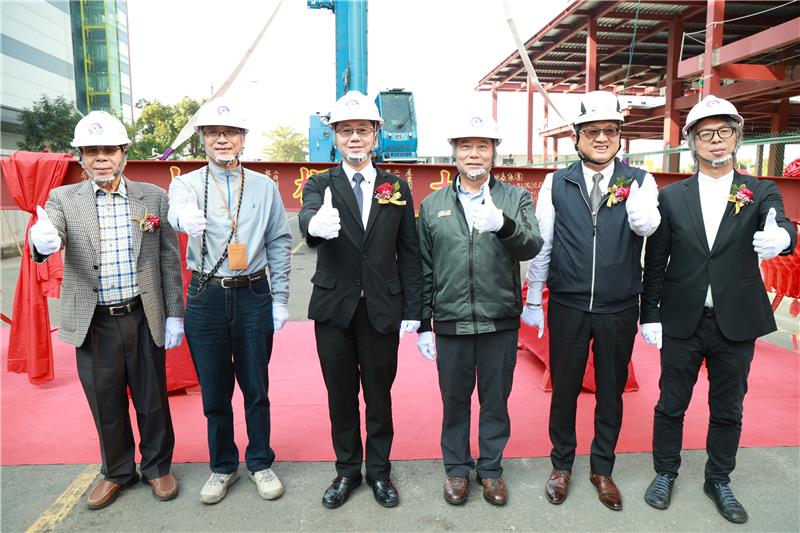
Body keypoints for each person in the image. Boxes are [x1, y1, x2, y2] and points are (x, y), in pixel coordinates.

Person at [640, 95, 795, 524]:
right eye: (705, 133)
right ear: (691, 140)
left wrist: (783, 238)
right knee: (672, 403)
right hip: (682, 319)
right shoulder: (673, 198)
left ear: (738, 136)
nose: (715, 141)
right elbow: (656, 260)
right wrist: (649, 312)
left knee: (729, 407)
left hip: (735, 321)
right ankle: (665, 472)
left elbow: (778, 221)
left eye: (724, 131)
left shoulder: (759, 190)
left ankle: (719, 478)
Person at [29, 111, 184, 509]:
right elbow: (53, 233)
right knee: (106, 400)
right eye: (92, 151)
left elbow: (168, 259)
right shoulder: (63, 199)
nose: (101, 158)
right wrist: (43, 243)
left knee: (152, 399)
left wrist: (174, 314)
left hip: (142, 313)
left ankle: (157, 466)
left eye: (109, 150)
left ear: (124, 154)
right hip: (94, 321)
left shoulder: (153, 197)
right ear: (80, 157)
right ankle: (117, 470)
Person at [522, 90, 661, 511]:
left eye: (610, 131)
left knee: (610, 391)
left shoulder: (640, 181)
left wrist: (643, 217)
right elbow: (543, 242)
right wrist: (532, 296)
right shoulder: (555, 182)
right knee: (563, 388)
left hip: (619, 306)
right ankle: (561, 464)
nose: (601, 138)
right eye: (592, 131)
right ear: (577, 138)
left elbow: (650, 225)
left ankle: (602, 468)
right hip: (568, 302)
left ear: (620, 136)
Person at [298, 90, 422, 509]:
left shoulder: (396, 187)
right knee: (340, 394)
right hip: (334, 310)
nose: (354, 138)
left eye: (362, 130)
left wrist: (415, 311)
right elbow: (307, 220)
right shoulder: (319, 184)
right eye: (346, 130)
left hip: (382, 309)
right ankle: (347, 470)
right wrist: (316, 224)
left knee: (379, 394)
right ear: (334, 136)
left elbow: (410, 251)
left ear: (375, 136)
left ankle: (380, 473)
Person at [167, 98, 292, 504]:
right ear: (202, 139)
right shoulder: (186, 183)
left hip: (254, 293)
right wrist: (183, 219)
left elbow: (278, 240)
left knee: (256, 386)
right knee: (215, 391)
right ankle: (222, 466)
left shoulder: (263, 186)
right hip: (206, 293)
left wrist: (280, 297)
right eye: (213, 133)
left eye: (230, 133)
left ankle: (260, 462)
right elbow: (175, 210)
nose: (222, 139)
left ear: (242, 139)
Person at [416, 115, 542, 506]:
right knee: (454, 400)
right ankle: (456, 470)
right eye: (466, 146)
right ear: (453, 153)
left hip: (498, 319)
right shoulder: (432, 203)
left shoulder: (514, 198)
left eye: (483, 146)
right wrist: (424, 323)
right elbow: (423, 267)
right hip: (451, 320)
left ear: (493, 154)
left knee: (494, 399)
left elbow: (531, 246)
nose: (474, 154)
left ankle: (490, 470)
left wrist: (502, 224)